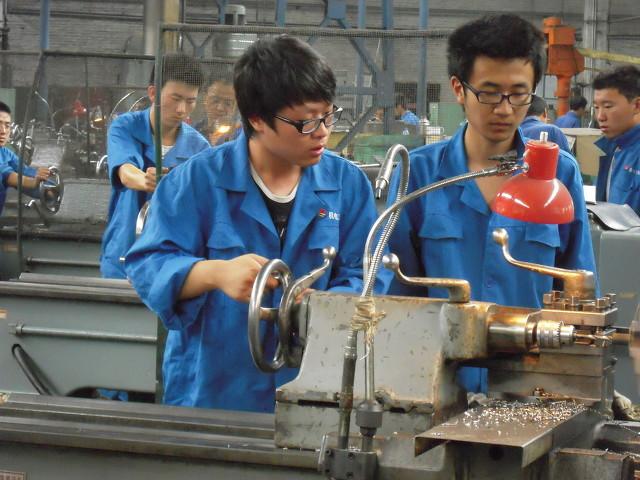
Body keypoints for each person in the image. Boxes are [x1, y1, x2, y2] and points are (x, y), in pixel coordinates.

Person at [125, 36, 390, 412]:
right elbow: (149, 264)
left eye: (329, 115)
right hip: (215, 391)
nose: (322, 131)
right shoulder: (196, 182)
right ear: (256, 119)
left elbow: (368, 270)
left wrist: (329, 303)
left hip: (317, 389)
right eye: (306, 122)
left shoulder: (347, 185)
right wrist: (214, 273)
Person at [387, 14, 596, 394]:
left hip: (531, 386)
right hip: (437, 384)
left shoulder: (558, 175)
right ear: (458, 89)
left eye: (518, 94)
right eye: (489, 92)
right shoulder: (419, 176)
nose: (504, 109)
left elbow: (577, 290)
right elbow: (396, 294)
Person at [100, 53, 209, 279]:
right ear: (152, 93)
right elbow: (125, 171)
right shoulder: (124, 127)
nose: (181, 109)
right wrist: (146, 180)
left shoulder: (199, 148)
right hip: (123, 253)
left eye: (190, 101)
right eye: (175, 98)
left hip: (171, 261)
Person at [592, 65, 640, 215]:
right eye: (596, 107)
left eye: (607, 106)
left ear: (636, 105)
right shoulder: (611, 146)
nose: (600, 116)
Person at [0, 101, 52, 215]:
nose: (3, 131)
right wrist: (33, 182)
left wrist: (49, 187)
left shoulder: (6, 154)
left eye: (7, 126)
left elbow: (25, 171)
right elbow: (8, 175)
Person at [195, 73, 241, 146]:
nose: (220, 108)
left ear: (235, 106)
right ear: (205, 98)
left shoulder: (241, 136)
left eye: (228, 103)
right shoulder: (194, 132)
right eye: (215, 100)